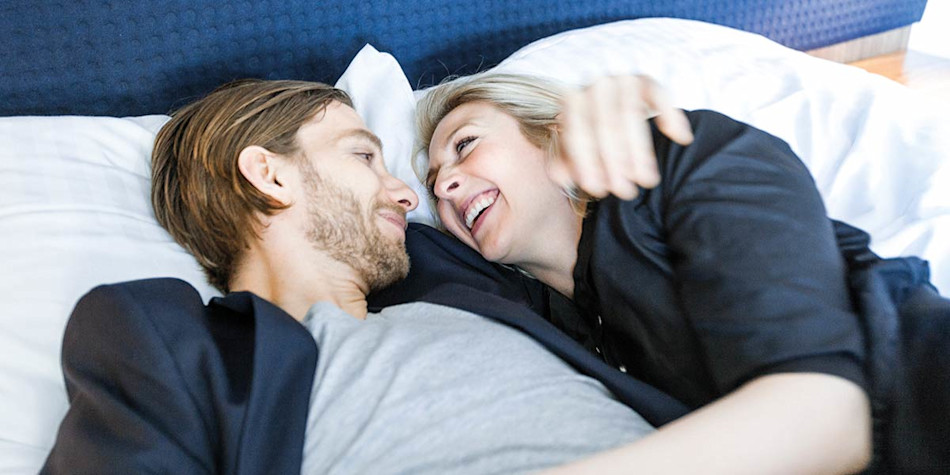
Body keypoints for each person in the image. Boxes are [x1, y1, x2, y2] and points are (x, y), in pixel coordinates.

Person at [42, 78, 695, 474]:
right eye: (364, 156)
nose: (409, 194)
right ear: (269, 175)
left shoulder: (463, 281)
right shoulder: (164, 342)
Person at [417, 72, 950, 474]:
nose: (443, 187)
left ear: (553, 132)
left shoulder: (679, 158)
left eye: (465, 145)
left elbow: (827, 422)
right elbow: (394, 260)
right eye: (433, 181)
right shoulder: (536, 315)